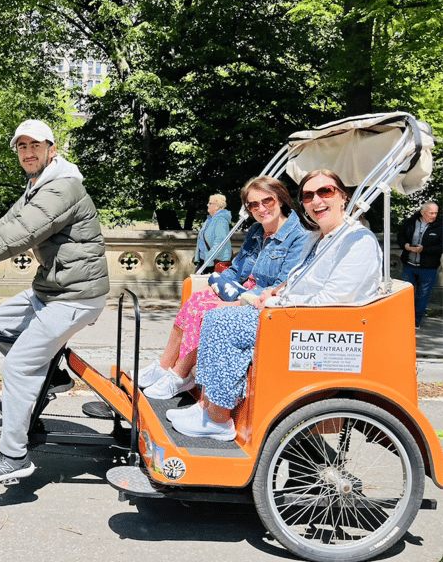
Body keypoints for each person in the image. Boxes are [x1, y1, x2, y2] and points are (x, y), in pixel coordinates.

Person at [0, 119, 110, 483]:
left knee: (16, 367)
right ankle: (54, 375)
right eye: (22, 146)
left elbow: (22, 233)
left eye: (35, 145)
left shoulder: (62, 188)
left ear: (51, 148)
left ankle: (14, 456)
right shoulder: (37, 185)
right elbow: (5, 224)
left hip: (75, 296)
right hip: (54, 288)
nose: (28, 152)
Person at [169, 170, 382, 441]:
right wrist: (274, 292)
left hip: (318, 326)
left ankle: (218, 419)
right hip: (293, 315)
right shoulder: (320, 237)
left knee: (223, 323)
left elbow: (333, 299)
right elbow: (298, 279)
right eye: (308, 195)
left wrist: (277, 302)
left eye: (325, 192)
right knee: (216, 315)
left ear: (343, 197)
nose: (316, 200)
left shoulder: (357, 240)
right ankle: (208, 405)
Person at [137, 176, 308, 400]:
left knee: (206, 310)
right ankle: (164, 365)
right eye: (253, 205)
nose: (261, 208)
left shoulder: (298, 237)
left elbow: (283, 286)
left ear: (281, 199)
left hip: (264, 304)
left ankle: (182, 374)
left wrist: (235, 301)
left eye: (267, 201)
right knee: (195, 301)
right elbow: (236, 270)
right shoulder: (257, 231)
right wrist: (214, 282)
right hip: (241, 291)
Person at [396, 202, 441, 328]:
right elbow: (401, 236)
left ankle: (416, 322)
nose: (434, 216)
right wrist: (405, 245)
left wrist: (424, 249)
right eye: (431, 213)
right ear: (423, 212)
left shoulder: (440, 226)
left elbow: (440, 247)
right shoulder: (411, 222)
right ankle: (403, 320)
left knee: (423, 295)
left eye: (436, 213)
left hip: (428, 268)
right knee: (405, 294)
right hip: (409, 266)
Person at [194, 194, 232, 271]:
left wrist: (208, 259)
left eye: (210, 203)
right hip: (206, 260)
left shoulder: (221, 220)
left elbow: (219, 243)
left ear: (217, 206)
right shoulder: (210, 219)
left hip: (214, 262)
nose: (208, 205)